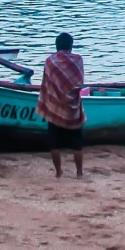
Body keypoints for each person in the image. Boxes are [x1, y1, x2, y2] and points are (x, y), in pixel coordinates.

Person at [37, 31, 85, 179]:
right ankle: (79, 173)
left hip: (54, 107)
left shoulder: (50, 61)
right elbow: (80, 82)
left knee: (54, 143)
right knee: (76, 143)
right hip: (73, 108)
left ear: (56, 46)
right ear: (71, 46)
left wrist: (45, 103)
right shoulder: (78, 60)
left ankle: (58, 172)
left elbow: (46, 84)